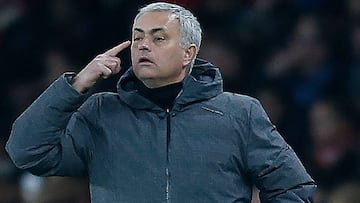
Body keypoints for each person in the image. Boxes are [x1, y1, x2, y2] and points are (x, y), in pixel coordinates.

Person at [5, 2, 316, 202]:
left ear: (188, 53)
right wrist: (74, 86)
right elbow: (26, 152)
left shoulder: (238, 113)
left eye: (158, 37)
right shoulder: (101, 112)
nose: (143, 45)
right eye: (137, 37)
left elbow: (293, 189)